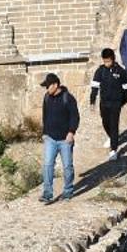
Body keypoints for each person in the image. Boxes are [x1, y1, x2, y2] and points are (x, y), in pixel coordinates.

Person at [40, 73, 80, 202]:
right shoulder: (47, 98)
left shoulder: (68, 98)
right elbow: (45, 116)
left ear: (55, 85)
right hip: (50, 138)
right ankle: (47, 193)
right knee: (47, 165)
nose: (46, 89)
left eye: (48, 86)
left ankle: (68, 191)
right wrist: (45, 133)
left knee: (67, 166)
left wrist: (71, 132)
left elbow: (75, 117)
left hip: (65, 139)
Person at [88, 48, 127, 156]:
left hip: (116, 103)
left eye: (108, 61)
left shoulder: (120, 71)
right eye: (105, 61)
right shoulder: (100, 71)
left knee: (114, 124)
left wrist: (123, 100)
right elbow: (95, 87)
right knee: (105, 122)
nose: (107, 63)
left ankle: (113, 150)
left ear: (113, 59)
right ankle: (112, 137)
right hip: (104, 103)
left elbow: (125, 87)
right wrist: (92, 101)